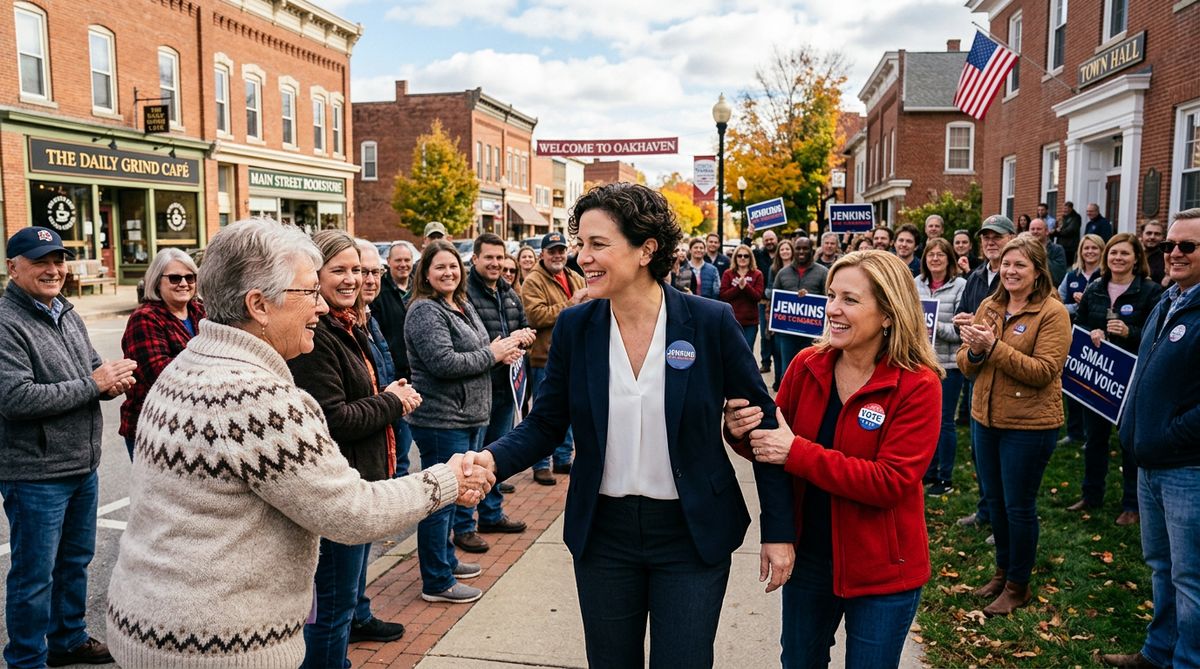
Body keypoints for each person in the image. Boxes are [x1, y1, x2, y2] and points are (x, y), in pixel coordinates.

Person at [105, 220, 489, 669]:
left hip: (150, 625)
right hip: (216, 645)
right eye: (309, 292)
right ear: (259, 305)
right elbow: (350, 510)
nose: (322, 307)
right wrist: (448, 479)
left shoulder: (188, 363)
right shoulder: (256, 396)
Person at [466, 183, 796, 668]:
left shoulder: (709, 321)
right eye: (581, 244)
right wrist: (491, 459)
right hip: (604, 534)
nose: (582, 257)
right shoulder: (577, 328)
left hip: (690, 531)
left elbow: (762, 427)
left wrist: (778, 530)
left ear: (647, 250)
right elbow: (547, 423)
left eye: (598, 244)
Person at [728, 250, 942, 668]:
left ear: (888, 313)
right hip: (808, 563)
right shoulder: (807, 365)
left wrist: (797, 452)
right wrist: (738, 432)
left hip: (883, 571)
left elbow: (890, 483)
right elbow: (774, 444)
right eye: (831, 296)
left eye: (849, 299)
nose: (832, 310)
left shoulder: (918, 385)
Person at [0, 227, 136, 668]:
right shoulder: (6, 322)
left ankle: (67, 639)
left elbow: (91, 371)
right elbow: (16, 398)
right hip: (34, 473)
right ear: (13, 268)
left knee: (75, 561)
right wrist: (93, 384)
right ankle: (26, 660)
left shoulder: (65, 311)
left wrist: (110, 383)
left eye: (58, 260)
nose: (53, 269)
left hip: (82, 463)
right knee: (34, 577)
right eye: (40, 261)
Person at [289, 230, 422, 666]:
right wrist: (392, 401)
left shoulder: (348, 323)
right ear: (314, 275)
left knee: (344, 602)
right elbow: (334, 418)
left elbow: (358, 397)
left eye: (358, 270)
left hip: (360, 484)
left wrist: (387, 394)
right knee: (331, 608)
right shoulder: (317, 334)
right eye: (339, 270)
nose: (352, 279)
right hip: (336, 491)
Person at [402, 239, 528, 602]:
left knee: (456, 496)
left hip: (471, 417)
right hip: (442, 421)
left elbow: (478, 350)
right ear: (425, 273)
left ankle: (446, 560)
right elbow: (444, 363)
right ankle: (437, 582)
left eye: (453, 266)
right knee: (439, 503)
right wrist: (492, 353)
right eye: (439, 267)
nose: (448, 273)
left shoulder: (459, 304)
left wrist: (499, 353)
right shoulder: (425, 311)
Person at [1103, 208, 1200, 669]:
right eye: (1168, 247)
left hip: (1187, 468)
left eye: (1187, 247)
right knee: (1162, 569)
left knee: (1191, 578)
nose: (1174, 254)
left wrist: (1168, 436)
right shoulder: (1169, 300)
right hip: (1149, 462)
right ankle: (1157, 653)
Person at [957, 235, 1071, 616]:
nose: (1010, 271)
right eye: (1006, 264)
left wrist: (993, 348)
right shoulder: (991, 305)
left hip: (1029, 425)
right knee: (997, 501)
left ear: (1038, 271)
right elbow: (966, 365)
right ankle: (1002, 572)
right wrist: (973, 351)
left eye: (1020, 265)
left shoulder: (1053, 313)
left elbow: (1043, 372)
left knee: (1018, 506)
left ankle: (1018, 586)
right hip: (985, 418)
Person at [1068, 233, 1163, 526]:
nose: (1117, 258)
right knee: (1094, 438)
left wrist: (1129, 333)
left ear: (1137, 258)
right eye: (1113, 253)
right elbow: (1080, 323)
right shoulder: (1095, 288)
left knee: (1128, 443)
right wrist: (1091, 332)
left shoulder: (1150, 292)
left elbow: (1157, 333)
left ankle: (1132, 505)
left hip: (1133, 379)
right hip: (1098, 378)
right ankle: (1091, 494)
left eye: (1124, 253)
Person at [460, 233, 535, 551]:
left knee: (495, 455)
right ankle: (464, 525)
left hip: (507, 387)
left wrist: (524, 339)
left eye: (500, 258)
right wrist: (498, 350)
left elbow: (523, 325)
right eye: (488, 257)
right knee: (472, 460)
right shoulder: (465, 296)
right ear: (475, 259)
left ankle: (491, 514)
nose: (495, 263)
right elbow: (470, 343)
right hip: (479, 389)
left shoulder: (509, 293)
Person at [951, 215, 1016, 529]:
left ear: (1011, 239)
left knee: (1005, 457)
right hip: (977, 370)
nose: (991, 242)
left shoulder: (1017, 277)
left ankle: (1003, 518)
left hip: (1008, 373)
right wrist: (961, 322)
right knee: (980, 451)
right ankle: (986, 511)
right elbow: (962, 315)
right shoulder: (976, 276)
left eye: (998, 236)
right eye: (986, 237)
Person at [119, 248, 205, 459]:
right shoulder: (145, 318)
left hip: (193, 425)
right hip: (154, 426)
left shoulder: (200, 311)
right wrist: (210, 363)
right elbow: (162, 374)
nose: (184, 283)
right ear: (157, 281)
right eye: (175, 278)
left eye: (190, 277)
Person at [522, 231, 587, 484]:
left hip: (573, 355)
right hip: (543, 358)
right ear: (543, 254)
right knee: (544, 413)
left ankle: (562, 458)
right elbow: (536, 316)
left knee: (571, 410)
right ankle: (540, 464)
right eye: (552, 251)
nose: (558, 255)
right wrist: (572, 305)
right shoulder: (533, 280)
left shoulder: (574, 276)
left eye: (561, 250)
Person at [916, 238, 967, 497]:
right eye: (930, 254)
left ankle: (945, 477)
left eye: (940, 254)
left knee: (945, 421)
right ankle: (928, 471)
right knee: (924, 422)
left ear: (949, 258)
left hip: (948, 365)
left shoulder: (960, 286)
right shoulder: (916, 284)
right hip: (920, 362)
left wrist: (933, 326)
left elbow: (962, 330)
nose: (935, 259)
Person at [375, 240, 416, 473]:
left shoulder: (419, 290)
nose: (403, 265)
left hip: (414, 378)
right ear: (389, 262)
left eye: (407, 260)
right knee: (398, 449)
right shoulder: (380, 291)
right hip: (393, 378)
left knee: (408, 442)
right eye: (398, 260)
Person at [773, 236, 829, 381]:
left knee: (811, 370)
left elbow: (830, 299)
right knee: (788, 370)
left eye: (805, 248)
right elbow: (774, 298)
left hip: (813, 333)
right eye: (798, 248)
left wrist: (810, 299)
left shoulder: (823, 272)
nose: (801, 251)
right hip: (787, 333)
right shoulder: (783, 273)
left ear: (812, 250)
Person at [719, 243, 766, 352]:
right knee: (731, 352)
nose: (742, 258)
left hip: (750, 322)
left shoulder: (757, 274)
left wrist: (745, 286)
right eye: (739, 256)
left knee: (747, 351)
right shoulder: (728, 273)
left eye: (746, 256)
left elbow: (758, 296)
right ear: (735, 258)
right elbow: (723, 295)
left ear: (751, 258)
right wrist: (738, 288)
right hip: (732, 320)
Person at [768, 239, 796, 390]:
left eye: (788, 249)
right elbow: (768, 290)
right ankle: (781, 382)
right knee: (779, 352)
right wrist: (780, 295)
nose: (785, 252)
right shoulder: (774, 269)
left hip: (797, 318)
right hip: (780, 317)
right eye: (782, 249)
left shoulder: (799, 269)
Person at [754, 230, 779, 372]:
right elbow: (743, 249)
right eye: (766, 240)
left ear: (776, 239)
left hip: (782, 303)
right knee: (765, 334)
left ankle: (779, 364)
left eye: (772, 239)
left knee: (778, 336)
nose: (769, 242)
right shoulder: (759, 255)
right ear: (763, 242)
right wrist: (750, 235)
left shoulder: (783, 253)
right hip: (764, 302)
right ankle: (765, 362)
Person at [1028, 217, 1067, 285]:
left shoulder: (1057, 250)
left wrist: (1039, 254)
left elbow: (1059, 276)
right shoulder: (1025, 249)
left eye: (1039, 229)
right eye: (1032, 229)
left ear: (1047, 231)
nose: (1035, 231)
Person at [1140, 219, 1167, 285]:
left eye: (1157, 234)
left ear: (1163, 237)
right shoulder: (1135, 256)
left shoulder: (1167, 258)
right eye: (1149, 233)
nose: (1152, 237)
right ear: (1142, 235)